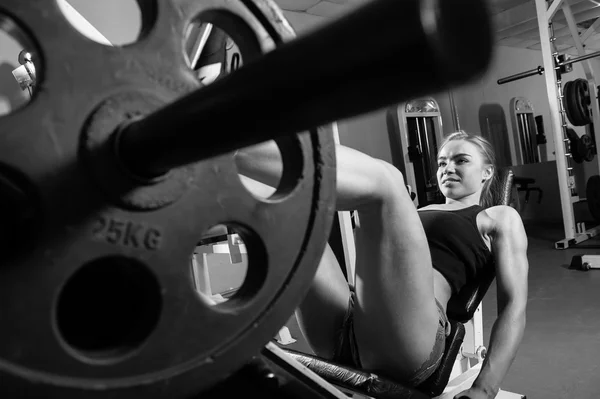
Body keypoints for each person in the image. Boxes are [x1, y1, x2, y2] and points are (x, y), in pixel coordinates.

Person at [235, 131, 528, 399]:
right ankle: (215, 171)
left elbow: (514, 306)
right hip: (347, 325)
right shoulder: (416, 209)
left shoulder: (498, 216)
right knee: (288, 207)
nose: (447, 168)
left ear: (487, 172)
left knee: (389, 180)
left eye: (461, 160)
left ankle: (223, 145)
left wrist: (485, 389)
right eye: (441, 163)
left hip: (409, 341)